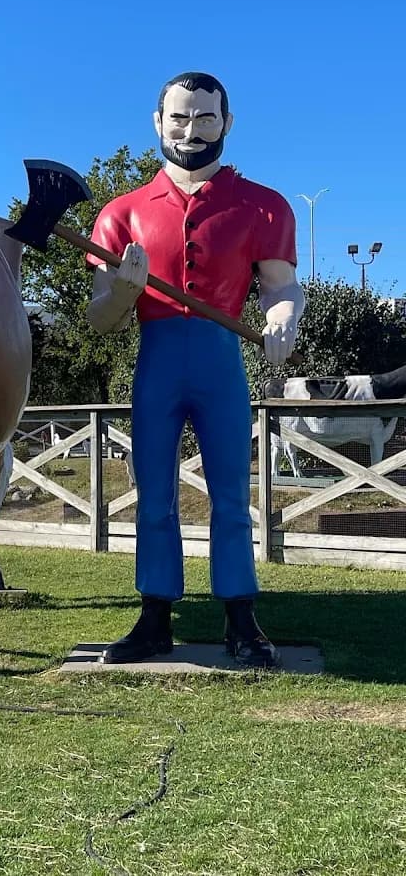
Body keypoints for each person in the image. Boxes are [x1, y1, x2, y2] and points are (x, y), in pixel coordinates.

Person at [85, 72, 304, 668]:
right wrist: (123, 294)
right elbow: (100, 318)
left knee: (231, 492)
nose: (191, 130)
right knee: (152, 490)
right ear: (158, 122)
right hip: (155, 358)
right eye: (179, 117)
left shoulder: (264, 205)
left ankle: (241, 616)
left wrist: (283, 316)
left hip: (220, 358)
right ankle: (155, 615)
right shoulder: (122, 212)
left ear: (226, 124)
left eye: (205, 118)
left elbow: (281, 288)